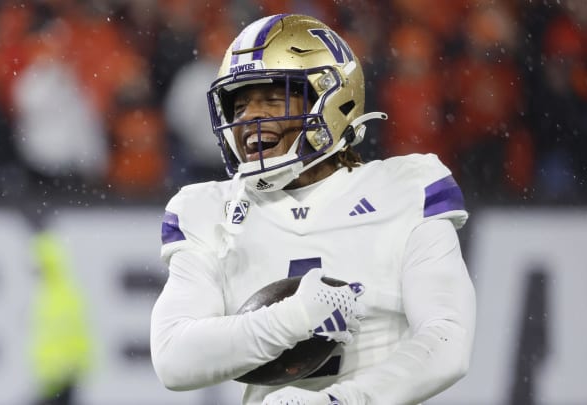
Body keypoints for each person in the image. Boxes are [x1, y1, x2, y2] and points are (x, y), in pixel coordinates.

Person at [151, 14, 476, 405]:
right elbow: (174, 358)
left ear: (334, 101)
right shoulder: (210, 211)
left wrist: (341, 402)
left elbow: (446, 340)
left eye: (272, 98)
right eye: (239, 104)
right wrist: (294, 318)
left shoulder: (406, 189)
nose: (249, 117)